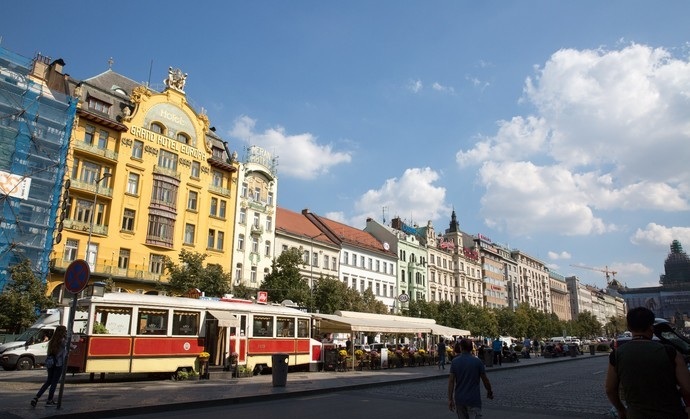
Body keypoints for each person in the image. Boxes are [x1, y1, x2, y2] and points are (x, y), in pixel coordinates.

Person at [605, 306, 690, 419]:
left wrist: (621, 409)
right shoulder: (670, 352)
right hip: (671, 414)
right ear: (651, 327)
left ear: (629, 327)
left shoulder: (616, 355)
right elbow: (687, 388)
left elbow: (610, 389)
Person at [447, 339, 493, 419]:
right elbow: (485, 380)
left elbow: (451, 381)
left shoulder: (455, 362)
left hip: (460, 399)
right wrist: (489, 391)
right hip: (473, 399)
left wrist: (450, 399)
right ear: (472, 348)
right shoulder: (478, 362)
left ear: (461, 348)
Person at [31, 325, 67, 407]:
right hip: (58, 363)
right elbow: (71, 347)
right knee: (54, 383)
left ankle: (36, 397)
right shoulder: (62, 341)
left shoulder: (52, 341)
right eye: (65, 331)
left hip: (50, 363)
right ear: (63, 332)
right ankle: (49, 400)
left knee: (48, 381)